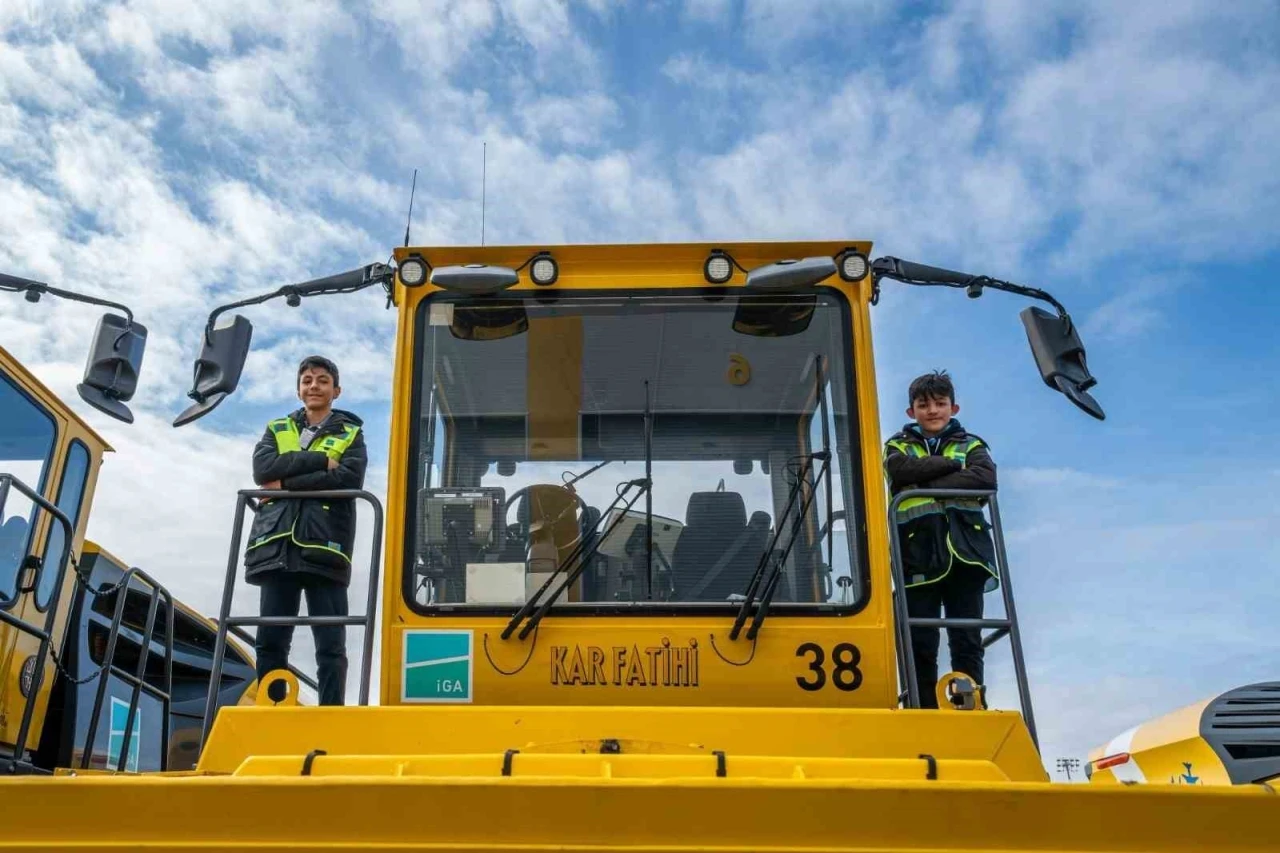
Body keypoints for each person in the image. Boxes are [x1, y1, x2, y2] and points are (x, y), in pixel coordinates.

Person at [244, 355, 367, 706]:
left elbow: (348, 478)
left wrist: (283, 482)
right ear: (299, 390)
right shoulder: (278, 428)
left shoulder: (351, 433)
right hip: (276, 543)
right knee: (270, 639)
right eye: (308, 380)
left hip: (325, 546)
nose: (314, 386)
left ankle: (330, 712)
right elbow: (262, 469)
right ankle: (272, 709)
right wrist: (318, 462)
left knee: (330, 643)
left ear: (336, 390)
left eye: (322, 380)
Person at [883, 370, 998, 709]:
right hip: (916, 555)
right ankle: (923, 708)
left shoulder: (972, 444)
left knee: (966, 638)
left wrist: (925, 484)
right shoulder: (897, 445)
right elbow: (901, 472)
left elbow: (985, 478)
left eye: (939, 404)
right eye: (923, 405)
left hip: (967, 555)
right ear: (911, 412)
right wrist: (950, 467)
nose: (932, 411)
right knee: (920, 639)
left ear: (954, 407)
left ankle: (969, 706)